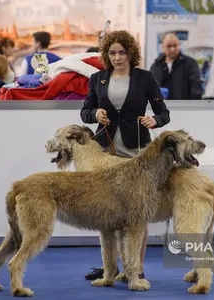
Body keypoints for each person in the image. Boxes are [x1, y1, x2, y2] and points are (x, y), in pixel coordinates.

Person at [80, 30, 170, 281]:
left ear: (131, 53)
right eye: (112, 53)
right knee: (106, 214)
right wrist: (95, 113)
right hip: (106, 154)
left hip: (137, 154)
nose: (117, 58)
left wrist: (155, 119)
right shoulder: (97, 78)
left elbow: (164, 113)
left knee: (137, 216)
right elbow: (85, 112)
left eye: (122, 52)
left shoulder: (145, 78)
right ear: (106, 55)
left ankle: (136, 268)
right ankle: (110, 268)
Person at [150, 33, 202, 100]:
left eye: (175, 46)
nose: (172, 49)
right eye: (169, 46)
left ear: (179, 45)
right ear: (163, 47)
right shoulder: (156, 66)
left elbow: (196, 89)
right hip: (161, 108)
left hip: (184, 108)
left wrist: (193, 108)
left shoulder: (190, 64)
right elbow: (150, 89)